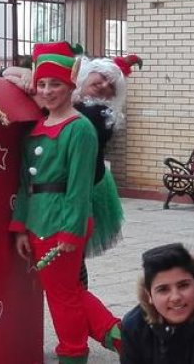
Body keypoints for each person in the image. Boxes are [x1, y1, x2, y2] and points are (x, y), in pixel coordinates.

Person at [9, 42, 122, 364]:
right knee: (66, 291)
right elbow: (24, 183)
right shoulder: (37, 127)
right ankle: (120, 338)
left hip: (62, 221)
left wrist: (71, 232)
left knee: (63, 297)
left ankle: (73, 353)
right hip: (36, 221)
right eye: (42, 84)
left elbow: (79, 187)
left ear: (71, 85)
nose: (47, 91)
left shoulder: (80, 128)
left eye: (55, 83)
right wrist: (19, 226)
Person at [73, 54, 141, 259]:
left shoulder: (98, 114)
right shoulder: (73, 101)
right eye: (101, 77)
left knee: (74, 254)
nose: (103, 85)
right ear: (87, 73)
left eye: (111, 86)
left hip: (85, 189)